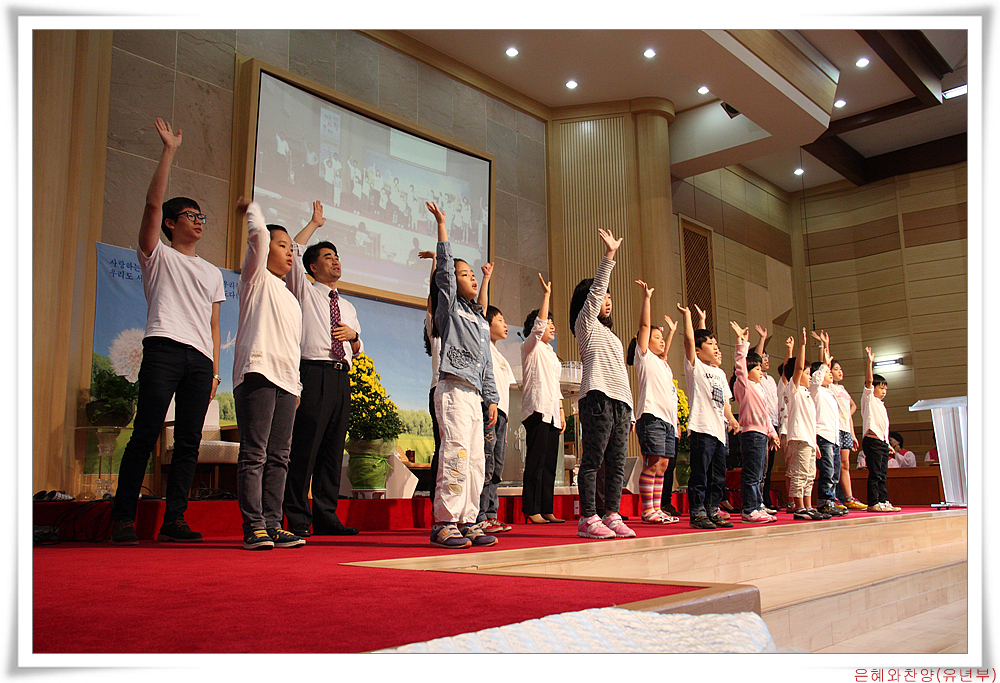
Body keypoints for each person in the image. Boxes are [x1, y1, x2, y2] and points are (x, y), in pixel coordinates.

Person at [110, 118, 225, 545]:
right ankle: (123, 519)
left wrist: (214, 372)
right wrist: (169, 152)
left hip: (199, 360)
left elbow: (214, 325)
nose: (199, 221)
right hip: (163, 347)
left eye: (201, 216)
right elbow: (152, 204)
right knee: (146, 431)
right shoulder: (156, 255)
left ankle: (174, 519)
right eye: (191, 216)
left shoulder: (212, 272)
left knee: (189, 442)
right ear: (172, 223)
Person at [283, 201, 363, 538]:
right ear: (313, 267)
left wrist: (354, 337)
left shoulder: (347, 305)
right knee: (307, 447)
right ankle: (298, 516)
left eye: (337, 256)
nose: (335, 261)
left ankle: (327, 515)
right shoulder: (304, 291)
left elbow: (358, 349)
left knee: (332, 449)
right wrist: (314, 223)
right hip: (313, 372)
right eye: (328, 257)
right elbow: (294, 250)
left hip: (341, 376)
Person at [232, 198, 305, 550]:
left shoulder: (292, 298)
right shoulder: (255, 278)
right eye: (282, 245)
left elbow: (293, 346)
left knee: (279, 457)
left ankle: (274, 524)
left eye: (292, 248)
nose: (289, 252)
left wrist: (297, 386)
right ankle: (254, 526)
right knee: (255, 453)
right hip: (258, 374)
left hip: (287, 382)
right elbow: (259, 236)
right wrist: (253, 209)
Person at [428, 201, 500, 549]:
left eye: (472, 274)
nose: (470, 277)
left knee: (475, 461)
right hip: (453, 390)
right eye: (464, 274)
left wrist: (492, 399)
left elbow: (487, 363)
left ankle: (468, 520)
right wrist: (442, 227)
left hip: (474, 396)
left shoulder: (480, 321)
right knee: (455, 454)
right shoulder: (450, 311)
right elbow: (443, 273)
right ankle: (444, 522)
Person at [570, 229, 635, 540]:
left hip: (620, 403)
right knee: (593, 461)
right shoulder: (584, 324)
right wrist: (609, 256)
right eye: (603, 296)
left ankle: (612, 514)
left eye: (610, 297)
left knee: (617, 464)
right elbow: (595, 291)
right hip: (596, 397)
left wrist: (630, 408)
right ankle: (587, 517)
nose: (607, 300)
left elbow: (621, 372)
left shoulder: (612, 335)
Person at [677, 303, 738, 530]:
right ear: (699, 350)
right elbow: (689, 341)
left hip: (719, 431)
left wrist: (731, 419)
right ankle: (697, 512)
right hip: (702, 428)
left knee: (718, 476)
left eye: (716, 343)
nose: (715, 347)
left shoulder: (719, 372)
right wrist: (688, 317)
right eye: (710, 344)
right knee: (700, 474)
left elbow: (724, 403)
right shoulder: (695, 367)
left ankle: (712, 509)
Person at [627, 281, 680, 525]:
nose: (661, 341)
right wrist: (647, 298)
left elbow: (665, 350)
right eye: (656, 338)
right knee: (652, 463)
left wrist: (671, 333)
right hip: (651, 417)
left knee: (663, 465)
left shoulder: (663, 364)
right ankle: (648, 510)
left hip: (668, 421)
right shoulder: (644, 357)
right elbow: (644, 326)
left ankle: (657, 508)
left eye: (662, 339)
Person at [520, 274, 566, 525]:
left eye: (552, 323)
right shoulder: (530, 347)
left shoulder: (551, 354)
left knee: (549, 464)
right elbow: (538, 327)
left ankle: (546, 508)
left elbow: (556, 386)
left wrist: (561, 411)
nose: (552, 327)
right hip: (536, 410)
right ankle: (531, 508)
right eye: (549, 323)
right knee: (536, 462)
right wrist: (546, 296)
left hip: (552, 412)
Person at [476, 263, 516, 533]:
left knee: (497, 467)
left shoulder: (501, 356)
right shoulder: (483, 346)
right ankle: (480, 515)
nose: (505, 325)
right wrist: (486, 279)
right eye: (500, 320)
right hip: (487, 411)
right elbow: (481, 311)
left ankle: (491, 513)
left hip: (501, 416)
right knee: (486, 463)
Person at [729, 321, 780, 523]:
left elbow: (766, 415)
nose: (760, 371)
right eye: (757, 368)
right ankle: (749, 508)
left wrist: (772, 433)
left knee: (760, 473)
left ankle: (758, 505)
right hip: (751, 434)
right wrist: (741, 341)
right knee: (751, 474)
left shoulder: (759, 389)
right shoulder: (745, 385)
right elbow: (740, 365)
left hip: (762, 434)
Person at [784, 328, 827, 521]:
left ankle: (809, 506)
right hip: (799, 439)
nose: (810, 376)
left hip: (809, 440)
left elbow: (811, 424)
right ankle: (799, 507)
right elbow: (798, 369)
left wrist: (815, 443)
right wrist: (802, 345)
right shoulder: (793, 391)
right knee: (799, 475)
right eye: (807, 373)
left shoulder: (808, 394)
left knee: (810, 475)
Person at [809, 331, 848, 517]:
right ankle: (824, 502)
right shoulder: (815, 390)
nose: (830, 374)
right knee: (827, 471)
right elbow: (818, 375)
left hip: (834, 437)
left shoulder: (830, 391)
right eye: (827, 371)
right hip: (823, 436)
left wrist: (826, 345)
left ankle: (832, 500)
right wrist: (823, 358)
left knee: (835, 472)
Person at [861, 347, 901, 512]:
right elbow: (869, 381)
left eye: (885, 389)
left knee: (883, 474)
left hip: (881, 442)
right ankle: (873, 502)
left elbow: (883, 427)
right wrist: (869, 363)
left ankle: (883, 501)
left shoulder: (881, 405)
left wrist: (887, 443)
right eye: (881, 388)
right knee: (875, 473)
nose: (884, 392)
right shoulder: (868, 398)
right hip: (872, 441)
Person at [829, 356, 866, 510]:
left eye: (840, 369)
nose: (840, 372)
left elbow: (853, 406)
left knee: (845, 464)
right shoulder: (829, 387)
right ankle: (833, 497)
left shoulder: (842, 388)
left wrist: (853, 433)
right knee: (834, 465)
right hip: (835, 429)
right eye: (836, 369)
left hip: (845, 429)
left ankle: (849, 498)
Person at [752, 326, 780, 512]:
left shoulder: (770, 380)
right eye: (763, 357)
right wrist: (761, 339)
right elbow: (755, 357)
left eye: (767, 357)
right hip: (760, 425)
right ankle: (758, 501)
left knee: (768, 467)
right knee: (760, 467)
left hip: (772, 424)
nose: (766, 360)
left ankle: (765, 498)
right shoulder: (756, 379)